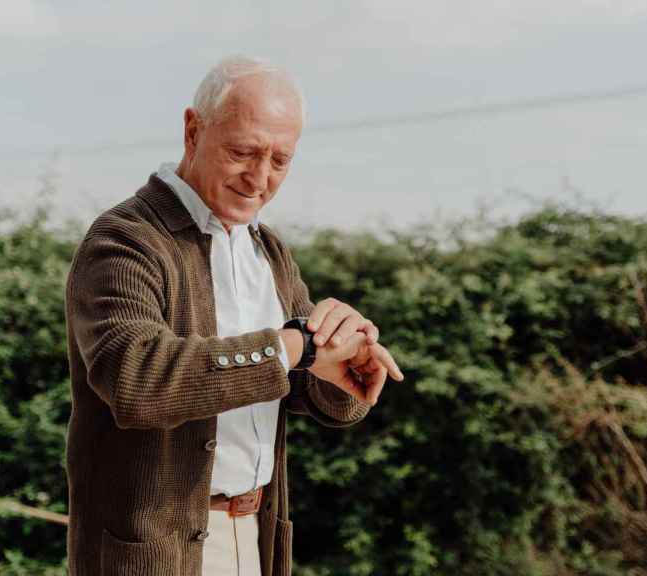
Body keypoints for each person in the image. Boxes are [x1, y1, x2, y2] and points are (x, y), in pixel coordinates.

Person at [63, 55, 403, 576]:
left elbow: (321, 394)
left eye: (280, 160)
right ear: (192, 130)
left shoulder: (268, 251)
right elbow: (136, 381)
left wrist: (348, 364)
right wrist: (295, 347)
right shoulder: (125, 240)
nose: (259, 178)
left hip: (257, 536)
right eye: (243, 152)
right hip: (152, 553)